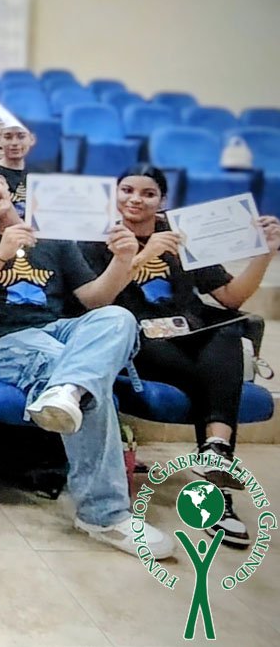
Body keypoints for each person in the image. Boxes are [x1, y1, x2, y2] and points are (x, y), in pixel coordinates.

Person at [0, 162, 175, 558]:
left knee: (118, 318)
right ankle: (103, 515)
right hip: (4, 342)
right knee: (89, 383)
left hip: (60, 331)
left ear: (3, 184)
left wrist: (123, 259)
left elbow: (94, 300)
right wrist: (0, 254)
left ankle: (67, 389)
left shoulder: (54, 234)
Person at [81, 164, 280, 547]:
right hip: (137, 339)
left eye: (148, 193)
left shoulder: (184, 235)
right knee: (215, 381)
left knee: (227, 331)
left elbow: (231, 297)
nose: (136, 200)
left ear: (162, 200)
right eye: (127, 190)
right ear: (114, 194)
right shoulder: (98, 239)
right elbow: (97, 301)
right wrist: (147, 253)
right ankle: (217, 496)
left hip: (191, 334)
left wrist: (264, 255)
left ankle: (215, 453)